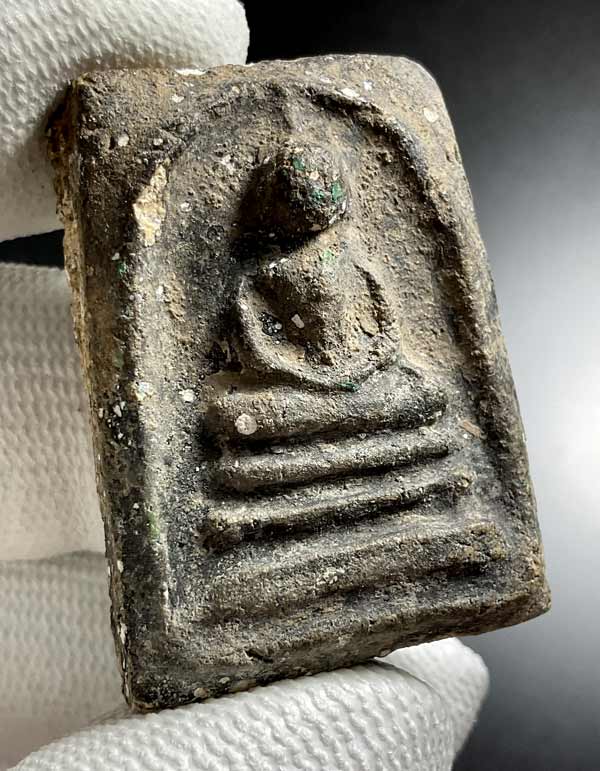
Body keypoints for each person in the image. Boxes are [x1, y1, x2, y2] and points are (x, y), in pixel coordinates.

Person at [0, 2, 488, 768]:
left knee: (420, 397)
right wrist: (300, 378)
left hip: (361, 396)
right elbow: (254, 346)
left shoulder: (356, 263)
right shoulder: (259, 278)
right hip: (283, 403)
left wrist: (358, 375)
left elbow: (384, 333)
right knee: (234, 418)